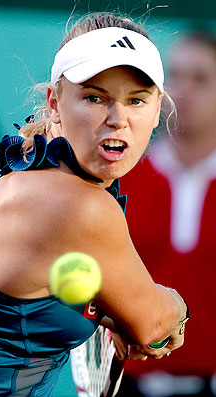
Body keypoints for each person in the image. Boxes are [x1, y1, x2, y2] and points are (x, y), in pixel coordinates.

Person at [0, 13, 190, 396]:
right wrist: (177, 308)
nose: (118, 119)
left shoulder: (18, 161)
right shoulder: (80, 207)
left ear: (158, 106)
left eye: (137, 100)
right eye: (96, 98)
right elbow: (153, 326)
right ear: (55, 103)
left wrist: (111, 315)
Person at [119, 31, 216, 397]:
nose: (184, 90)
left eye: (201, 78)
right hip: (129, 385)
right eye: (175, 76)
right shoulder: (121, 178)